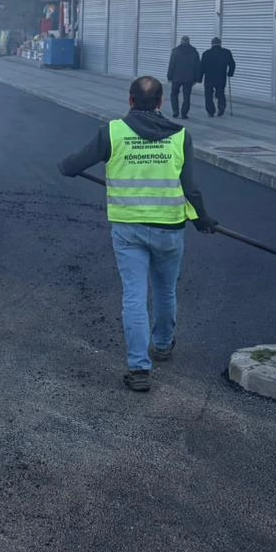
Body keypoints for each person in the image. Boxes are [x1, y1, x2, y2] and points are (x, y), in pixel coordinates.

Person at [57, 76, 217, 392]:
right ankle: (162, 344)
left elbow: (72, 164)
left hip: (128, 228)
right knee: (165, 290)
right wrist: (203, 219)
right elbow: (191, 188)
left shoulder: (113, 132)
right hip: (169, 229)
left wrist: (68, 167)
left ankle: (139, 368)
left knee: (134, 295)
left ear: (130, 101)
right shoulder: (180, 136)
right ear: (161, 103)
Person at [166, 35, 202, 119]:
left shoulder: (175, 51)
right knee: (187, 96)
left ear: (181, 41)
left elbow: (171, 65)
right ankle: (184, 114)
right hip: (189, 79)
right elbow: (197, 66)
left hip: (176, 78)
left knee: (174, 94)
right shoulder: (194, 52)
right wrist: (196, 78)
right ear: (188, 41)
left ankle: (175, 111)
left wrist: (169, 76)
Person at [200, 37, 237, 117]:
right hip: (221, 77)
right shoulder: (226, 52)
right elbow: (232, 64)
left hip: (209, 78)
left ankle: (210, 111)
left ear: (212, 44)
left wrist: (199, 78)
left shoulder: (206, 53)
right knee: (220, 93)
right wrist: (230, 73)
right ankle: (221, 107)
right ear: (220, 43)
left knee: (208, 95)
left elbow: (201, 67)